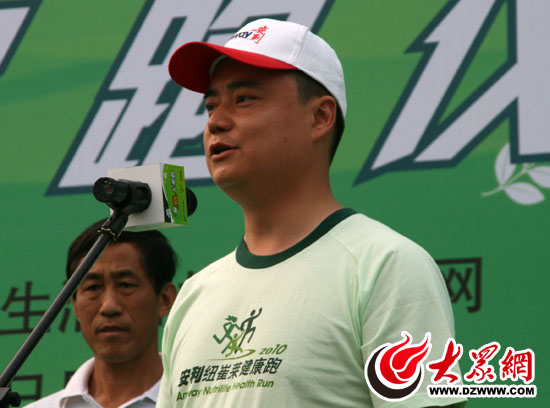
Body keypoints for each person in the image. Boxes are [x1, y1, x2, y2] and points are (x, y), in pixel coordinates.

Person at [157, 18, 467, 407]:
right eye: (211, 106)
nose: (216, 122)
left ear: (320, 116)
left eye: (245, 99)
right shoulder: (194, 295)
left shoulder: (385, 266)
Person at [26, 220, 178, 408]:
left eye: (125, 285)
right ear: (75, 305)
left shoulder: (199, 402)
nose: (109, 306)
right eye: (93, 287)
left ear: (165, 299)